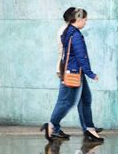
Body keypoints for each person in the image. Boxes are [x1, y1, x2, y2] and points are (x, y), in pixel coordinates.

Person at [40, 7, 104, 142]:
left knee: (86, 99)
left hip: (75, 71)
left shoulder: (69, 31)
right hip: (73, 73)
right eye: (84, 20)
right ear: (78, 19)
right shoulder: (74, 35)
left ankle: (89, 129)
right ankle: (52, 126)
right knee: (67, 102)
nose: (86, 22)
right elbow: (81, 57)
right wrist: (91, 74)